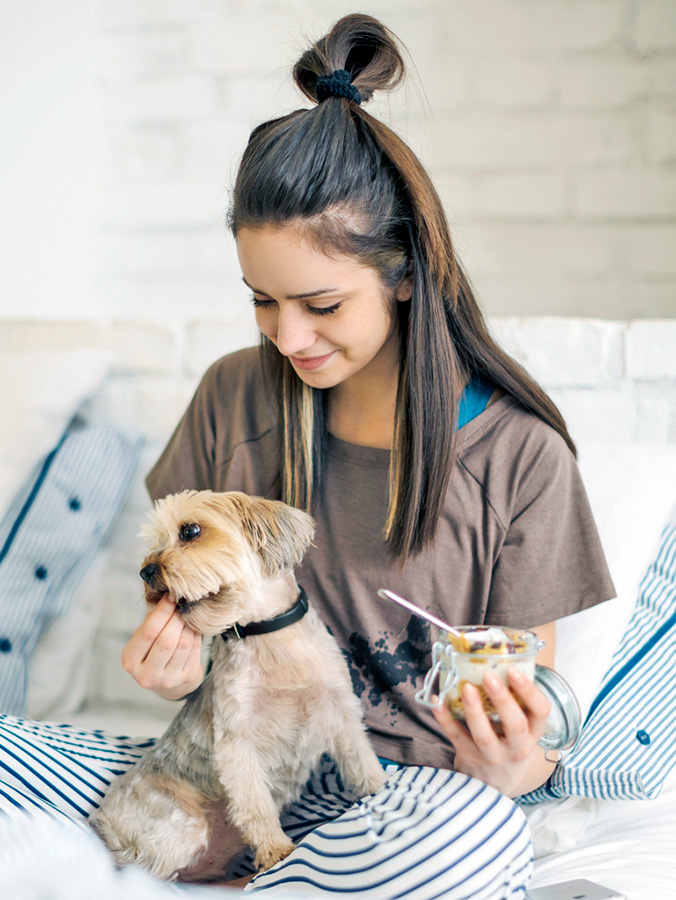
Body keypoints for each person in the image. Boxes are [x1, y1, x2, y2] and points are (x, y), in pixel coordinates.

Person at [0, 13, 615, 899]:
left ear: (405, 271)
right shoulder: (230, 396)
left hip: (405, 799)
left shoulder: (522, 459)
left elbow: (520, 725)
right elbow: (174, 616)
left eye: (321, 304)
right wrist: (168, 659)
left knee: (473, 839)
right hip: (227, 768)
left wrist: (514, 766)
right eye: (261, 302)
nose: (288, 337)